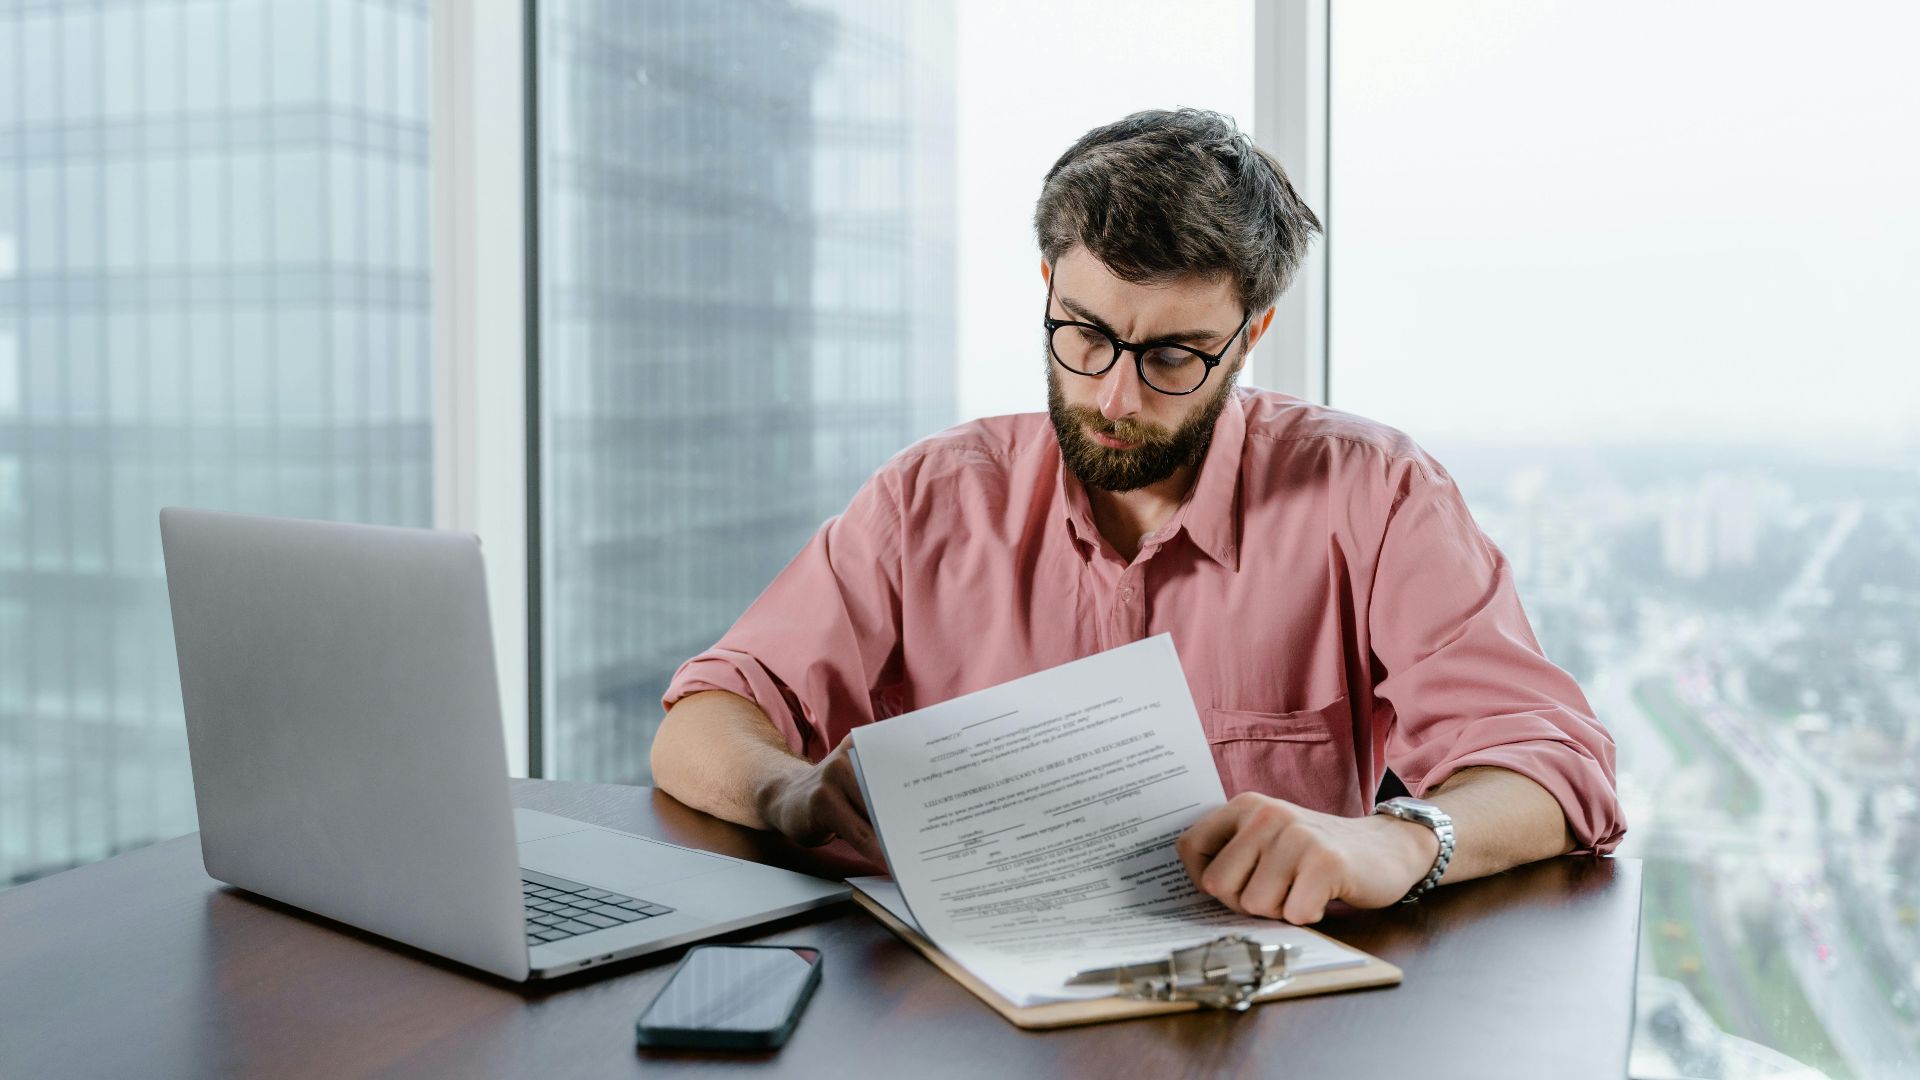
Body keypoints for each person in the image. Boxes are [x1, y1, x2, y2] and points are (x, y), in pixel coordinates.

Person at [651, 108, 1624, 925]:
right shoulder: (931, 499)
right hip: (951, 1018)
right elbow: (703, 722)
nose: (1115, 398)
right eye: (1086, 335)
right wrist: (785, 793)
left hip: (1247, 1017)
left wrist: (1396, 838)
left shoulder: (1376, 497)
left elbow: (1554, 763)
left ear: (1252, 335)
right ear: (1048, 289)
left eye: (1173, 356)